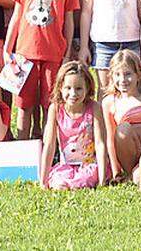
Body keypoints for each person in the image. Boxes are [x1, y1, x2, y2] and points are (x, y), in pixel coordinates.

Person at [3, 0, 78, 139]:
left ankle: (49, 148)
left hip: (54, 54)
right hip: (25, 53)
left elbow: (69, 22)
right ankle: (23, 147)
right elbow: (17, 17)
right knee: (24, 105)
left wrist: (67, 53)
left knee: (51, 104)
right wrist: (7, 49)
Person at [39, 61, 106, 190]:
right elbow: (49, 144)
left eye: (79, 88)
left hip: (89, 165)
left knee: (83, 181)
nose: (73, 94)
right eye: (68, 88)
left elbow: (100, 143)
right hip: (66, 165)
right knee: (59, 183)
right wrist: (43, 180)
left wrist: (102, 180)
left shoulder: (94, 108)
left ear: (87, 89)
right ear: (60, 88)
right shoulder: (56, 109)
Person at [101, 50, 141, 183]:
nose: (122, 80)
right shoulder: (110, 102)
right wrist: (116, 170)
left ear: (138, 74)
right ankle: (128, 173)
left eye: (128, 74)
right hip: (130, 154)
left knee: (139, 178)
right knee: (123, 129)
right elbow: (110, 139)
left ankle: (135, 176)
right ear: (111, 76)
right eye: (117, 75)